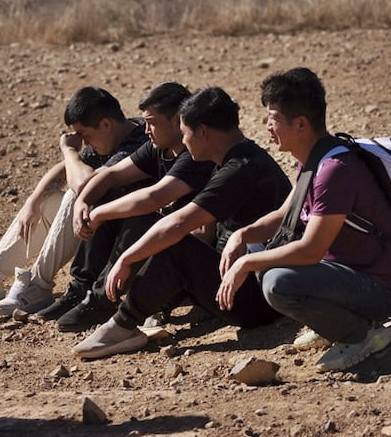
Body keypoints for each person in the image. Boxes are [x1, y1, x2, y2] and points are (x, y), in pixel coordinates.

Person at [215, 66, 391, 371]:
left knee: (276, 282)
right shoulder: (314, 158)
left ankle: (361, 335)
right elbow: (284, 215)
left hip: (380, 287)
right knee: (256, 251)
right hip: (344, 273)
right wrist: (241, 236)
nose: (267, 126)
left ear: (301, 124)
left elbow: (311, 250)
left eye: (274, 119)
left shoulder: (334, 169)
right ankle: (332, 324)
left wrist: (246, 264)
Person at [73, 86, 291, 359]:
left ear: (202, 132)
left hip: (256, 301)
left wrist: (126, 259)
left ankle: (124, 325)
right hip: (240, 281)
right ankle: (143, 309)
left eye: (185, 132)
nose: (184, 142)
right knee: (176, 241)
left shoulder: (240, 169)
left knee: (174, 246)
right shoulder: (238, 158)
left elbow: (179, 223)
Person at [0, 86, 148, 316]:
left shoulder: (137, 141)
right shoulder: (109, 137)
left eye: (86, 136)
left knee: (74, 195)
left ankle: (38, 286)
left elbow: (86, 186)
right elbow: (61, 172)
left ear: (106, 124)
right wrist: (33, 202)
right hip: (95, 231)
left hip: (122, 240)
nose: (85, 144)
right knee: (47, 201)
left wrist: (69, 152)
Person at [42, 81, 217, 332]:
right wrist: (84, 200)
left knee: (140, 216)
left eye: (152, 122)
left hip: (195, 249)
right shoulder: (159, 147)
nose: (146, 130)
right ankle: (83, 287)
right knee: (109, 197)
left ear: (178, 120)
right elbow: (111, 175)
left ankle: (104, 300)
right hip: (171, 240)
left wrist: (99, 213)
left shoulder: (194, 155)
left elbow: (154, 198)